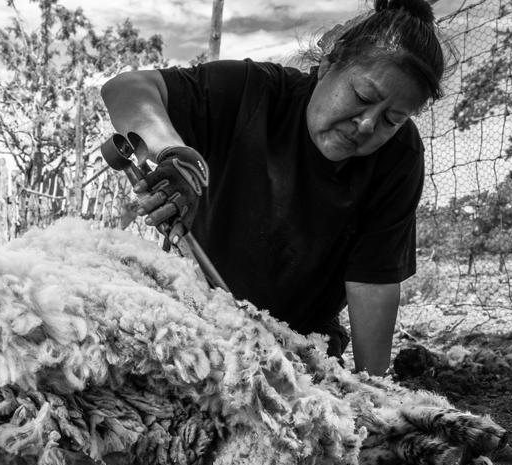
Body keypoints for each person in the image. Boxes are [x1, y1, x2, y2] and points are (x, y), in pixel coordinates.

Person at [101, 0, 454, 376]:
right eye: (363, 97)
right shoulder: (252, 93)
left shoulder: (398, 158)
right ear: (328, 65)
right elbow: (127, 88)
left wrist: (374, 391)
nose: (367, 125)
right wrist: (174, 153)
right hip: (191, 322)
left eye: (391, 120)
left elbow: (372, 281)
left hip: (300, 346)